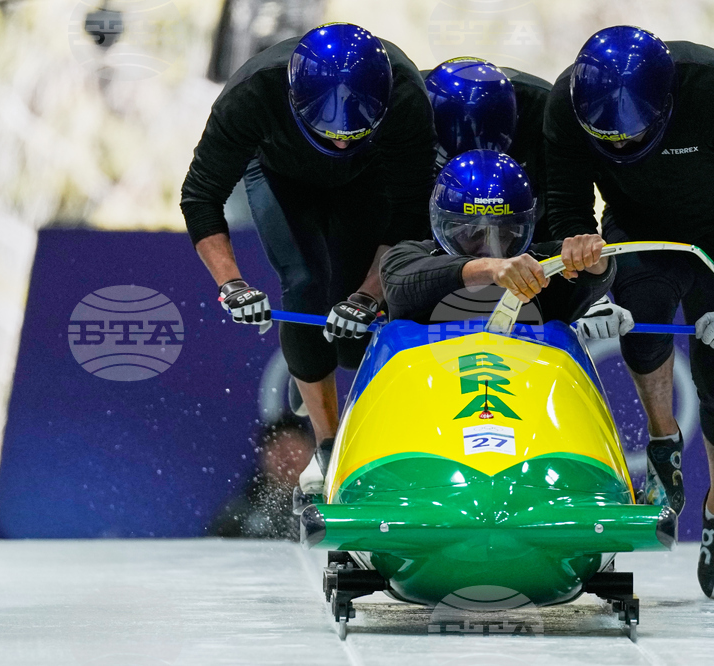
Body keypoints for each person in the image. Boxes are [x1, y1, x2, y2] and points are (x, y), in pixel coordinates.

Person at [545, 26, 714, 599]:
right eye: (610, 140)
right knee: (637, 318)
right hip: (641, 228)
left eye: (633, 137)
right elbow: (569, 208)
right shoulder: (565, 104)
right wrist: (591, 280)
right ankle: (663, 441)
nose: (623, 149)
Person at [179, 23, 437, 495]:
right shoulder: (253, 93)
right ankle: (329, 447)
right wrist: (231, 283)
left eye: (353, 131)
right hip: (281, 176)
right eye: (329, 130)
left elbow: (410, 213)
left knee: (355, 329)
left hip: (368, 179)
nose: (340, 142)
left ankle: (352, 405)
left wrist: (367, 295)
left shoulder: (404, 98)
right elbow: (200, 197)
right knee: (306, 286)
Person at [423, 57, 632, 337]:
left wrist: (590, 292)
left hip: (525, 219)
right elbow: (402, 210)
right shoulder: (411, 117)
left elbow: (566, 202)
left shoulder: (544, 113)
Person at [380, 149, 617, 334]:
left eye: (504, 233)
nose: (488, 247)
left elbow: (593, 275)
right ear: (443, 225)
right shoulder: (406, 258)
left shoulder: (540, 267)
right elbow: (399, 282)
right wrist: (491, 270)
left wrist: (591, 256)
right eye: (470, 233)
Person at [209, 415, 313, 540]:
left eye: (294, 447)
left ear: (311, 452)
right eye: (278, 447)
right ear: (264, 457)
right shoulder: (241, 510)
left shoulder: (325, 504)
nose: (287, 456)